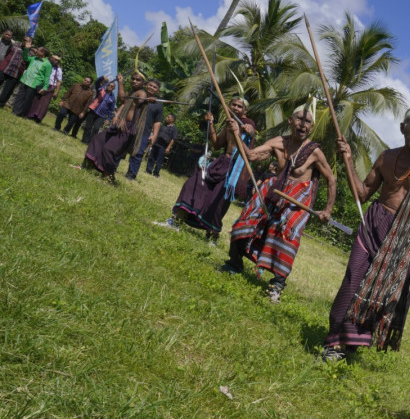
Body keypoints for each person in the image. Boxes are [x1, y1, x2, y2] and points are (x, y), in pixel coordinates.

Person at [321, 101, 410, 360]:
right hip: (374, 224)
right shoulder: (386, 157)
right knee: (352, 280)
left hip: (405, 239)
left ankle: (352, 344)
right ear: (403, 127)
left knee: (381, 291)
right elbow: (362, 193)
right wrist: (349, 160)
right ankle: (334, 342)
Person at [219, 101, 337, 303]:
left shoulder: (314, 151)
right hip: (275, 190)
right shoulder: (279, 142)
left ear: (311, 127)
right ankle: (235, 263)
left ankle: (277, 285)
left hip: (298, 198)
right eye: (299, 119)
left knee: (285, 231)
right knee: (247, 218)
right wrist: (237, 133)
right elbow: (251, 155)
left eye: (308, 121)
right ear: (290, 121)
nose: (303, 124)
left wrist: (327, 210)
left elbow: (331, 180)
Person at [156, 97, 256, 239]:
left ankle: (212, 235)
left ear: (245, 110)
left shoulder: (248, 122)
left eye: (239, 106)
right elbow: (216, 145)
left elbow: (251, 132)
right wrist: (211, 124)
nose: (235, 108)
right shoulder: (229, 124)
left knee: (218, 200)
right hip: (221, 163)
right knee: (194, 184)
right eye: (233, 104)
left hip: (233, 169)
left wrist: (247, 130)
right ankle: (177, 221)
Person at [81, 71, 145, 183]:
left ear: (143, 82)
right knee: (98, 139)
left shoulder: (141, 93)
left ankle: (109, 176)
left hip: (128, 127)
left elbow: (141, 100)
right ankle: (89, 164)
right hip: (120, 123)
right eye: (133, 78)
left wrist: (146, 100)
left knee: (109, 149)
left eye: (138, 79)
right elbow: (123, 100)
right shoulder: (133, 91)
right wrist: (120, 83)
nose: (134, 81)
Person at [123, 79, 164, 180]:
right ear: (146, 85)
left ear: (158, 90)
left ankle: (131, 175)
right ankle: (112, 166)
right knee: (121, 147)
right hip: (129, 126)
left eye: (155, 87)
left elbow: (157, 121)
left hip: (144, 132)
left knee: (138, 153)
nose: (152, 88)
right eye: (150, 85)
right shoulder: (139, 94)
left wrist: (154, 135)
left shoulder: (158, 104)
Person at [12, 39, 50, 117]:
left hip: (34, 84)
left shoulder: (47, 64)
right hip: (25, 80)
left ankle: (22, 115)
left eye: (38, 50)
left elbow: (47, 77)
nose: (36, 50)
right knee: (20, 97)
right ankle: (15, 112)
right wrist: (26, 49)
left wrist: (45, 87)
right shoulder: (34, 58)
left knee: (27, 100)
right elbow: (25, 58)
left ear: (42, 53)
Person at [79, 79, 118, 144]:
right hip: (93, 111)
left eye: (112, 86)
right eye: (109, 85)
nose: (110, 87)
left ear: (114, 88)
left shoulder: (113, 98)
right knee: (88, 127)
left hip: (101, 115)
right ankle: (84, 140)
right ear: (107, 85)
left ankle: (90, 142)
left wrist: (108, 118)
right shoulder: (101, 91)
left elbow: (111, 110)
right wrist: (102, 78)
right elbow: (97, 82)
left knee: (96, 129)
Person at [26, 53, 62, 123]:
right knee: (36, 100)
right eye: (55, 59)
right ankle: (30, 115)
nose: (56, 61)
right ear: (51, 58)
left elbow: (59, 81)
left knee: (44, 104)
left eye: (58, 60)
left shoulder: (58, 69)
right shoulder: (45, 63)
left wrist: (56, 92)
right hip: (41, 84)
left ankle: (38, 118)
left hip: (51, 86)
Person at [0, 30, 26, 109]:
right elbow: (7, 54)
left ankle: (1, 104)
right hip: (5, 68)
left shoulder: (31, 52)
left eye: (28, 41)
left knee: (7, 90)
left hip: (16, 73)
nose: (25, 42)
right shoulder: (15, 44)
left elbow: (27, 61)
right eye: (24, 40)